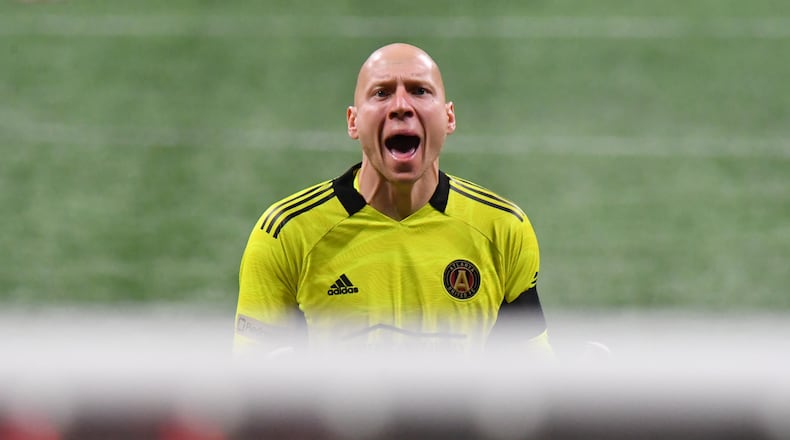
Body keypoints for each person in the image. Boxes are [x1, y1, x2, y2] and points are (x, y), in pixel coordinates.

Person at [234, 43, 551, 357]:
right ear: (353, 122)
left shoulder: (502, 229)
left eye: (420, 91)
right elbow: (250, 379)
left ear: (448, 117)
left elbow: (532, 375)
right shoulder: (287, 234)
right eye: (382, 93)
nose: (401, 105)